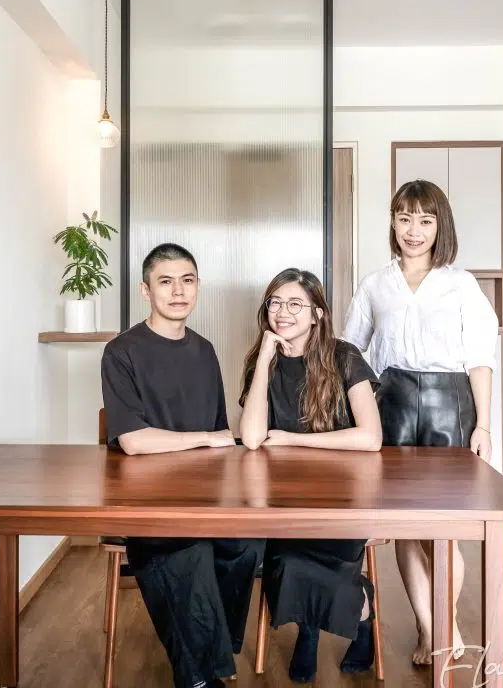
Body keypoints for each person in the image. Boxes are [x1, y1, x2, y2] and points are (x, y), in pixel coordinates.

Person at [342, 179, 498, 667]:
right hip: (392, 403)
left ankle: (442, 629)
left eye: (425, 220)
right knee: (408, 528)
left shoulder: (461, 283)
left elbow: (480, 358)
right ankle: (432, 631)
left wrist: (484, 425)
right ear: (393, 222)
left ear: (439, 225)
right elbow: (349, 352)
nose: (414, 230)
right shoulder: (374, 284)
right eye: (405, 218)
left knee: (444, 528)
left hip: (450, 405)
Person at [101, 243, 264, 688]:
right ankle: (199, 677)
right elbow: (133, 441)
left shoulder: (205, 350)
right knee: (188, 551)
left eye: (187, 281)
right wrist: (205, 439)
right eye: (166, 282)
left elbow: (222, 436)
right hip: (147, 500)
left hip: (205, 496)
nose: (178, 291)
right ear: (146, 290)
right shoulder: (121, 352)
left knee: (247, 545)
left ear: (198, 287)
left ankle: (213, 655)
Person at [238, 267, 383, 683]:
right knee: (285, 562)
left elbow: (371, 437)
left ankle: (361, 618)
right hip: (283, 496)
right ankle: (310, 632)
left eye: (295, 304)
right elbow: (252, 438)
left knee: (322, 562)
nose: (282, 312)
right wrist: (264, 361)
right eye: (275, 302)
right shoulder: (262, 362)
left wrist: (292, 440)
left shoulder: (344, 356)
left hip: (346, 494)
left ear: (318, 313)